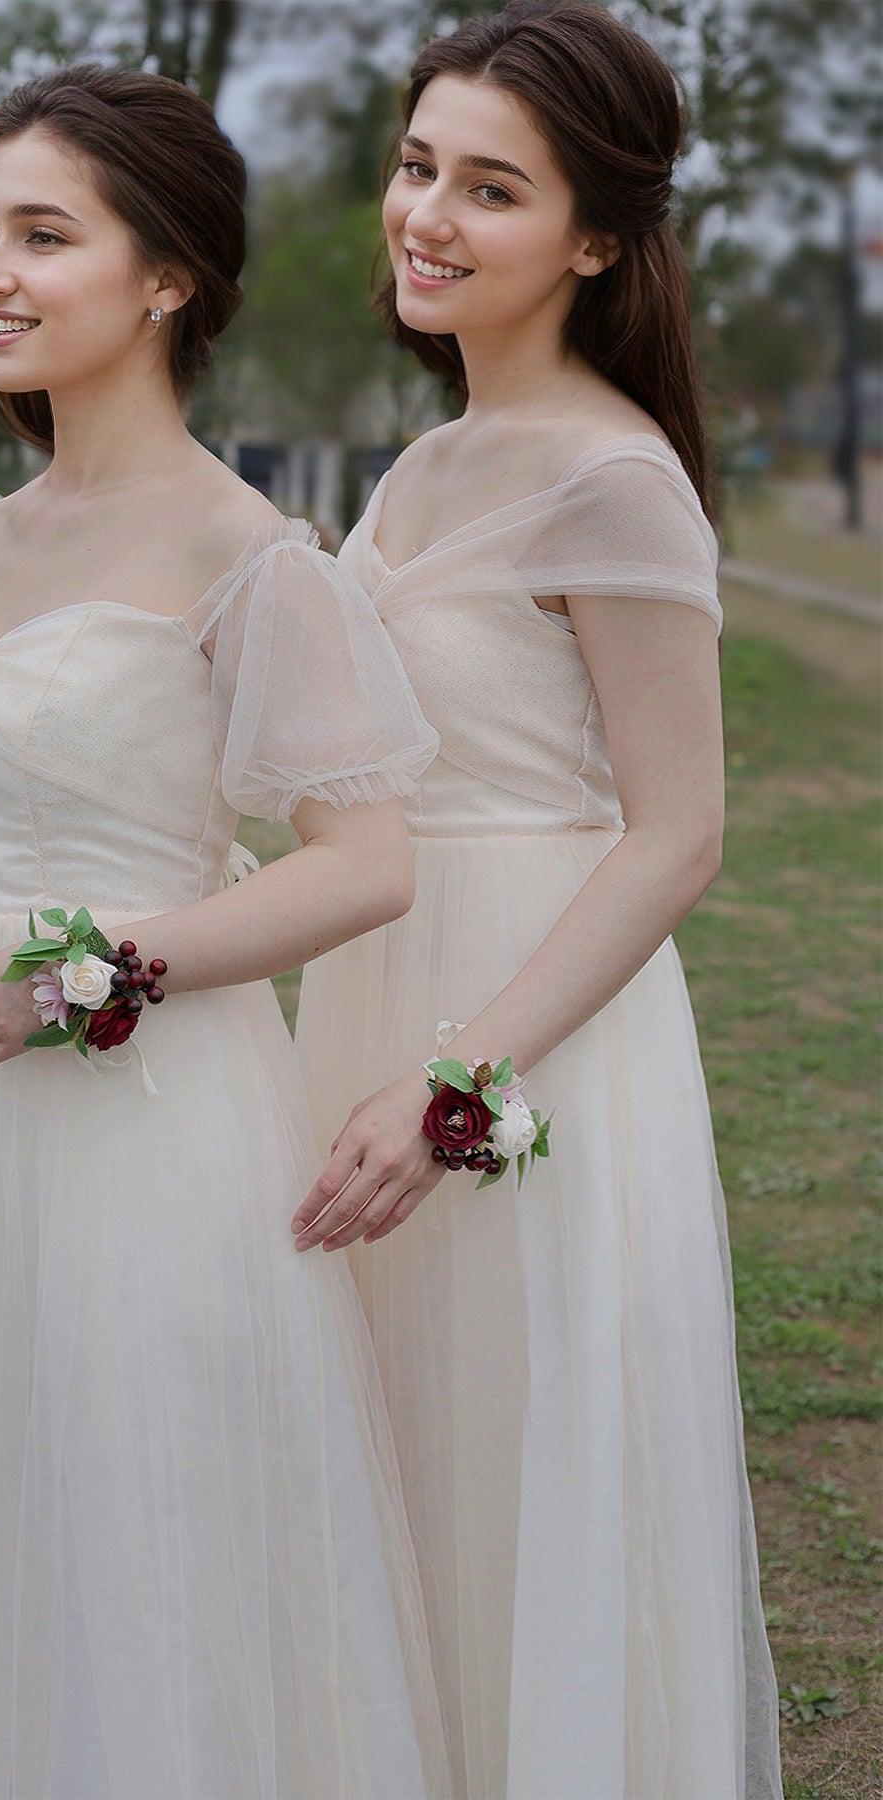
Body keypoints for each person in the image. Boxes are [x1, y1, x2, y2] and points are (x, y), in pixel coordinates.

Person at [0, 64, 450, 1800]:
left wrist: (91, 974)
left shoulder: (254, 556)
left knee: (144, 1545)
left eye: (45, 235)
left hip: (147, 1119)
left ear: (165, 276)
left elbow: (363, 863)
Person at [291, 6, 783, 1796]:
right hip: (371, 981)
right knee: (394, 1471)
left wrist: (460, 1082)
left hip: (526, 1034)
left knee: (515, 1464)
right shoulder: (421, 467)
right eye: (419, 166)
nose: (427, 214)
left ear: (594, 237)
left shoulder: (616, 478)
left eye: (490, 188)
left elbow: (680, 834)